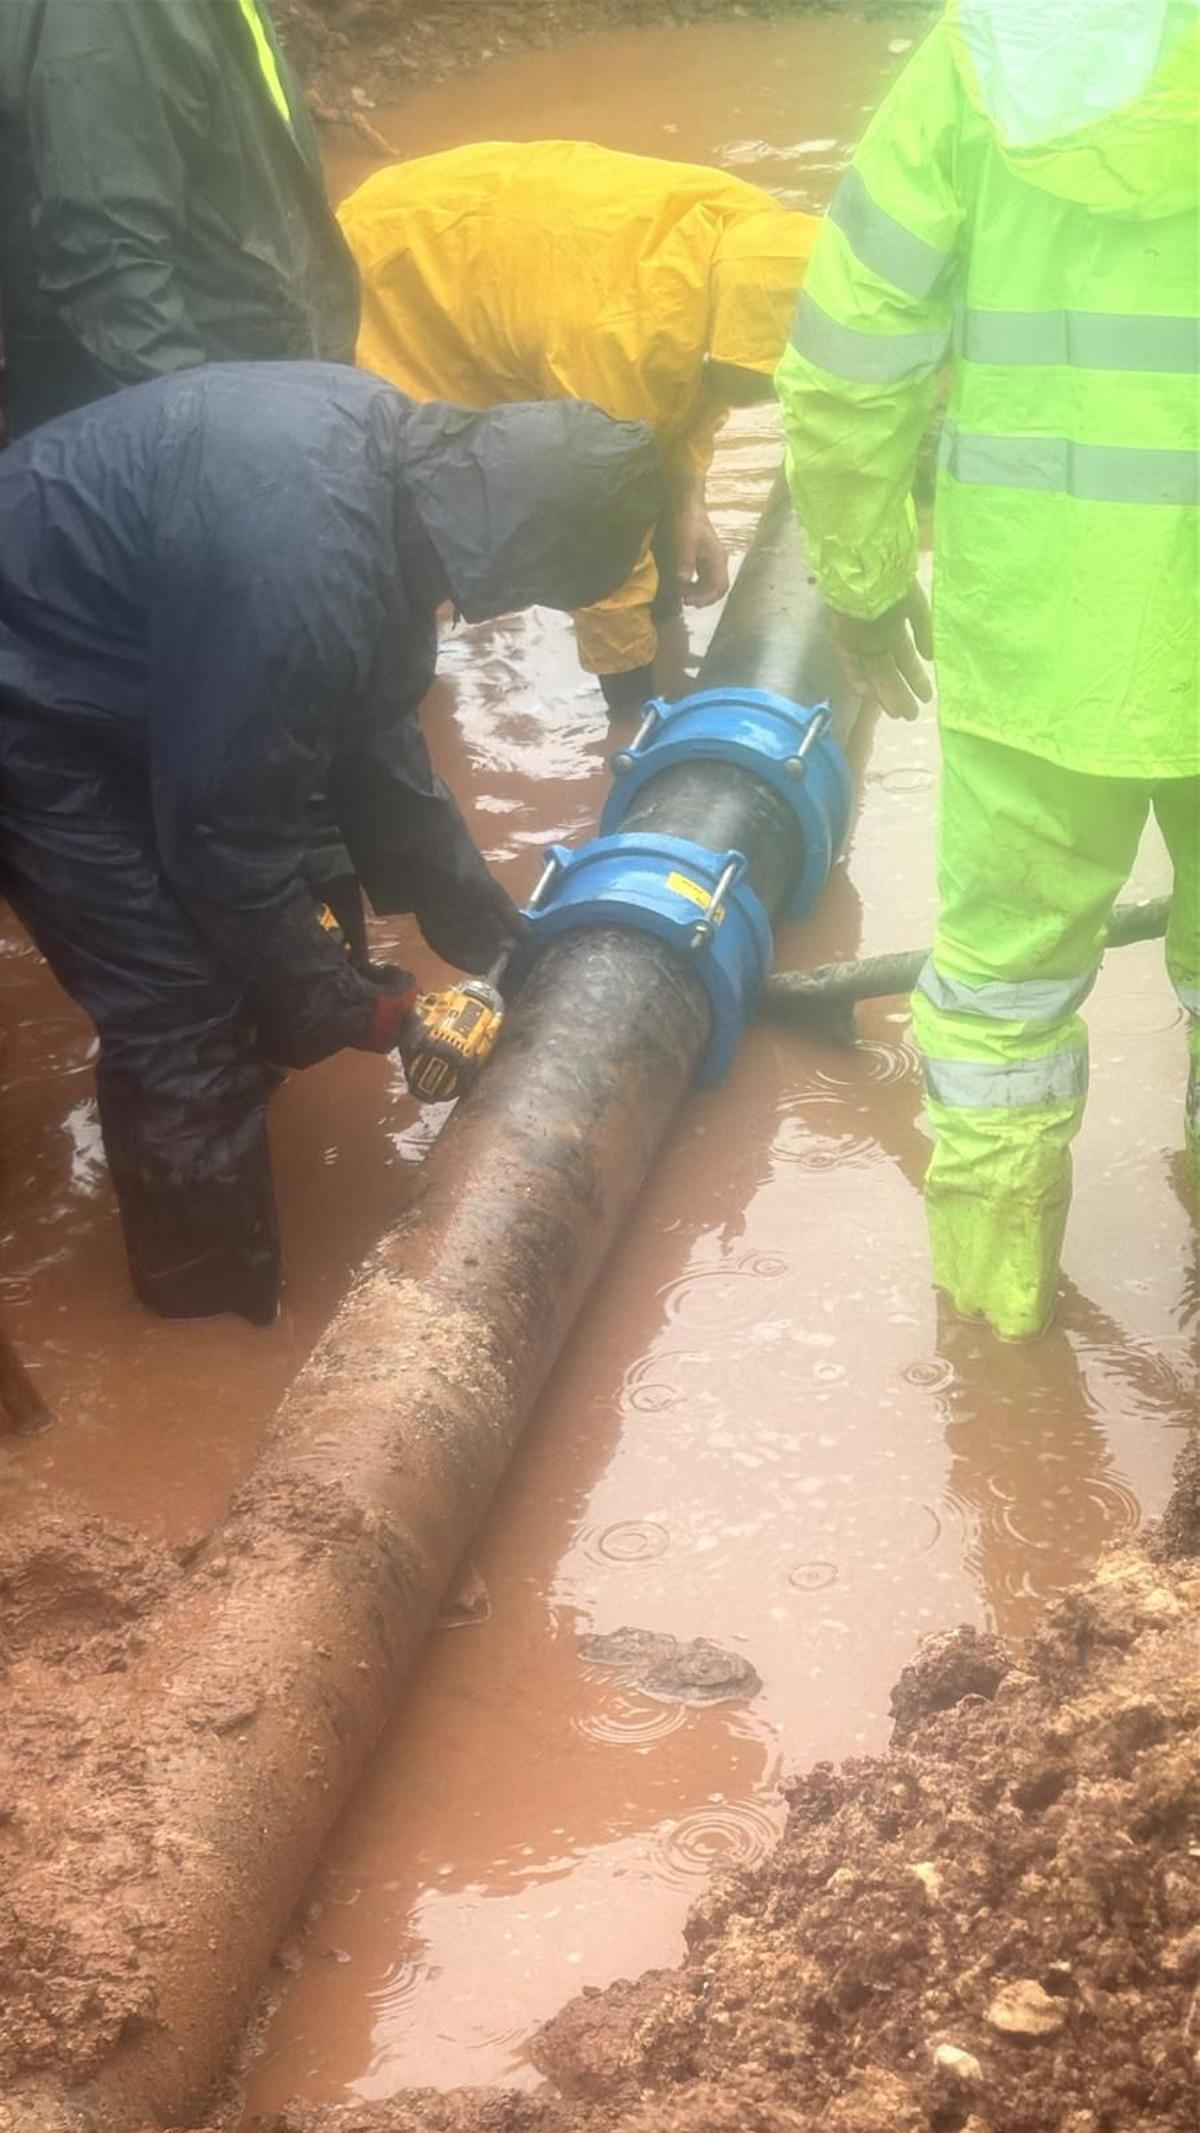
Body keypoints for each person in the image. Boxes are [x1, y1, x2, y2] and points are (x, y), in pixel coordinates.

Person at [0, 363, 663, 1325]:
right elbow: (219, 843)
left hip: (108, 659)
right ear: (513, 554)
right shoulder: (306, 568)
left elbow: (374, 748)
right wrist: (360, 1013)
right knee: (181, 1005)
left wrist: (499, 941)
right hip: (27, 699)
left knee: (299, 907)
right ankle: (207, 1317)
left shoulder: (383, 467)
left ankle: (226, 1135)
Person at [776, 0, 1199, 1342]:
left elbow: (851, 358)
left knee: (1003, 1003)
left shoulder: (985, 55)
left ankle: (997, 1353)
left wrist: (862, 577)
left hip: (1037, 623)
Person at [338, 140, 818, 710]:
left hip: (511, 248)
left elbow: (705, 383)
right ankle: (390, 682)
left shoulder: (762, 252)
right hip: (402, 262)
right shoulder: (623, 339)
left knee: (641, 487)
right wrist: (629, 708)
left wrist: (690, 501)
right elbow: (595, 527)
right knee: (416, 493)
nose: (762, 400)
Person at [0, 0, 359, 439]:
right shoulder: (113, 16)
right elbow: (110, 264)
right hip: (181, 416)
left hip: (254, 383)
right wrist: (205, 446)